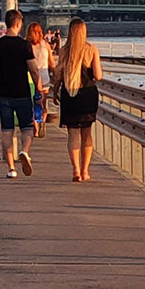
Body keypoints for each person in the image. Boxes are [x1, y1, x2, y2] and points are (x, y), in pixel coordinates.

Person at [0, 9, 40, 178]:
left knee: (7, 131)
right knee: (26, 128)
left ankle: (11, 169)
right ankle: (25, 151)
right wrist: (38, 88)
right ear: (18, 24)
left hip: (4, 93)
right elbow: (33, 70)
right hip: (22, 93)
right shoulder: (24, 45)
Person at [55, 18, 103, 181]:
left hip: (69, 94)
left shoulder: (63, 51)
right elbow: (98, 75)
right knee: (87, 134)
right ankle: (85, 171)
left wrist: (55, 90)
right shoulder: (92, 50)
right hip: (88, 94)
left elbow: (58, 75)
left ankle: (75, 170)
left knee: (73, 134)